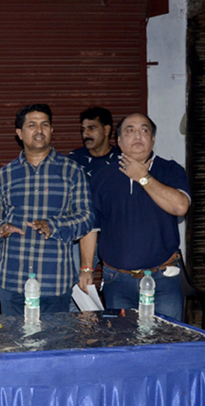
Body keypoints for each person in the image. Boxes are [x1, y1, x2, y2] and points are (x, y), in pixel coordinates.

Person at [0, 104, 93, 315]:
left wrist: (54, 225)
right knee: (15, 345)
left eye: (45, 125)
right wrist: (0, 226)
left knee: (54, 345)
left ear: (51, 130)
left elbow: (86, 217)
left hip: (55, 278)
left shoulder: (72, 172)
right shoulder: (4, 175)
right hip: (12, 277)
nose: (39, 131)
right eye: (32, 125)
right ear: (20, 133)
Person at [79, 113, 189, 320]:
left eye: (144, 130)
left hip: (163, 279)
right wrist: (86, 268)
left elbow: (180, 206)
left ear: (153, 140)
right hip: (117, 282)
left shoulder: (169, 170)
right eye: (130, 130)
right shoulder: (102, 178)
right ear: (119, 141)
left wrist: (143, 177)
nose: (138, 135)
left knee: (167, 345)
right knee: (124, 346)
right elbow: (91, 227)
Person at [67, 107, 122, 280]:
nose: (86, 134)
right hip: (81, 236)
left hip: (115, 236)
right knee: (77, 285)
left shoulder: (122, 159)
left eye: (92, 128)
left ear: (106, 130)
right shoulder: (74, 159)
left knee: (115, 283)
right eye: (83, 130)